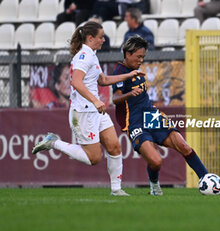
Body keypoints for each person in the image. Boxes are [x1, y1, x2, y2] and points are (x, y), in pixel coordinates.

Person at [32, 22, 144, 196]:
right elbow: (76, 82)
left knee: (114, 147)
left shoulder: (92, 54)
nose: (103, 39)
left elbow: (103, 80)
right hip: (83, 112)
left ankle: (116, 190)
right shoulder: (84, 55)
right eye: (101, 37)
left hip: (94, 110)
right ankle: (54, 142)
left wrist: (129, 75)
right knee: (94, 158)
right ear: (91, 38)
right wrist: (95, 100)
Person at [112, 35, 220, 195]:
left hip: (151, 116)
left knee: (184, 146)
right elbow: (115, 98)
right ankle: (154, 186)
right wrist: (129, 94)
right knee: (156, 162)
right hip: (134, 123)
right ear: (127, 54)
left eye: (143, 57)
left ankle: (210, 182)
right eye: (138, 57)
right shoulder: (119, 72)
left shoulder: (136, 70)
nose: (141, 60)